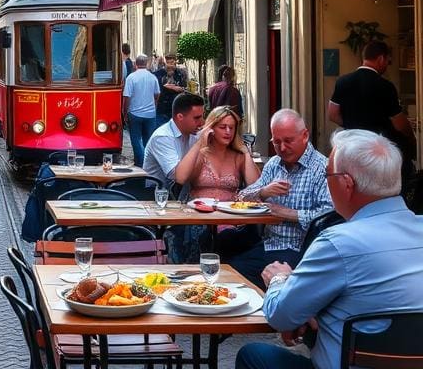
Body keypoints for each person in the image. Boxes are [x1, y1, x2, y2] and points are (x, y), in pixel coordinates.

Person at [235, 129, 423, 369]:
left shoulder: (338, 242)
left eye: (327, 175)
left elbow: (281, 316)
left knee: (254, 354)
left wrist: (280, 279)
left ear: (346, 184)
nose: (325, 182)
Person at [229, 109, 333, 288]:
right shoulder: (274, 164)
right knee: (229, 268)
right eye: (277, 142)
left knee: (237, 274)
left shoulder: (321, 167)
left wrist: (287, 214)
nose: (282, 148)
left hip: (301, 249)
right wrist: (263, 192)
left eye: (288, 141)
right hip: (269, 244)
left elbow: (329, 216)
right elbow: (241, 198)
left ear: (305, 135)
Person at [175, 105, 261, 258]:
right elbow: (180, 177)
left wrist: (246, 152)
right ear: (211, 128)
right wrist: (200, 141)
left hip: (230, 220)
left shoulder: (238, 156)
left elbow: (256, 186)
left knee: (233, 239)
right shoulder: (201, 154)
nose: (228, 132)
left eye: (232, 128)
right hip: (199, 219)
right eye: (223, 127)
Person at [327, 40, 416, 186]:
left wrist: (352, 123)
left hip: (353, 147)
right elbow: (399, 124)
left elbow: (332, 114)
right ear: (381, 58)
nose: (387, 65)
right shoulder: (386, 86)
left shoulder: (343, 82)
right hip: (380, 150)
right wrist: (411, 137)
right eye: (388, 61)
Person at [142, 92, 206, 190]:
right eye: (197, 118)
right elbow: (177, 176)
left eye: (202, 116)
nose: (202, 122)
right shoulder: (162, 137)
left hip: (183, 193)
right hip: (158, 195)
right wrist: (201, 142)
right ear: (180, 117)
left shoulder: (194, 132)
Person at [122, 54, 161, 166]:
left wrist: (125, 112)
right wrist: (154, 106)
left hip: (135, 113)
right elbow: (157, 94)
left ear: (135, 64)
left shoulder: (131, 78)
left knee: (136, 140)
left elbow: (127, 97)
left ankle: (140, 163)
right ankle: (148, 163)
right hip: (150, 114)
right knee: (148, 140)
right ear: (147, 63)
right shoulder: (152, 77)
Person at [153, 53, 187, 124]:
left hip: (176, 108)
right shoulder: (158, 74)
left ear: (175, 62)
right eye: (168, 63)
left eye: (172, 62)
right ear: (165, 62)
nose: (170, 65)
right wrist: (172, 87)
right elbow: (157, 89)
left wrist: (180, 89)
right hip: (161, 109)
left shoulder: (180, 73)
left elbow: (184, 87)